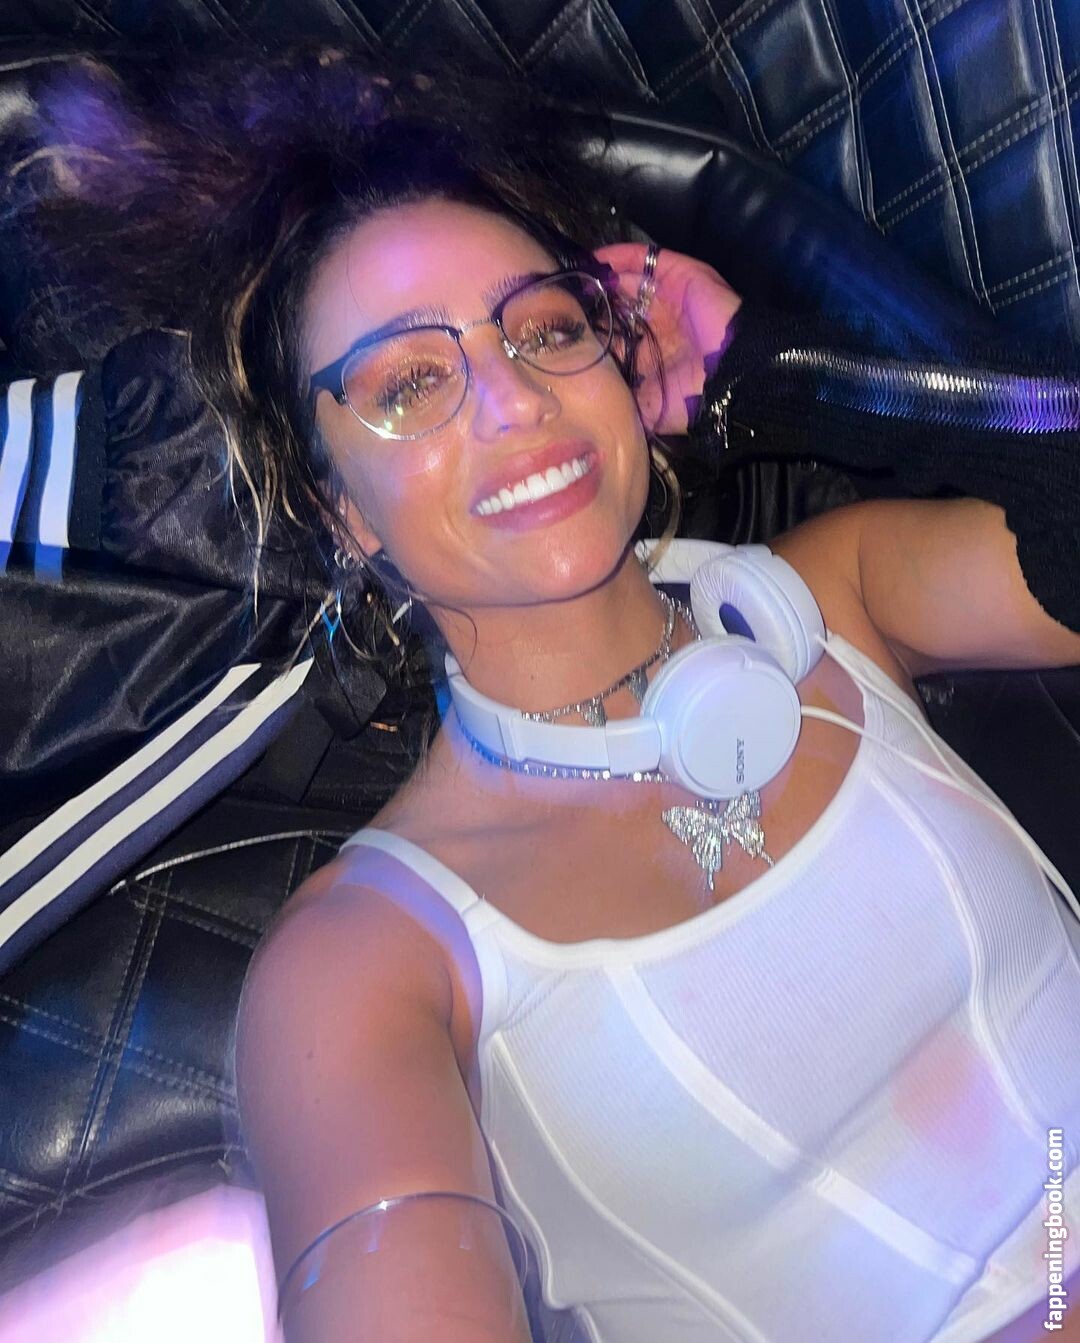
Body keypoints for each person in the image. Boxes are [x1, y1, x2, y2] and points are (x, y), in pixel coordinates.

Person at [18, 50, 1080, 1343]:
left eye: (547, 328)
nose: (514, 396)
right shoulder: (365, 964)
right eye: (411, 382)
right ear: (343, 512)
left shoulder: (838, 596)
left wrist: (780, 374)